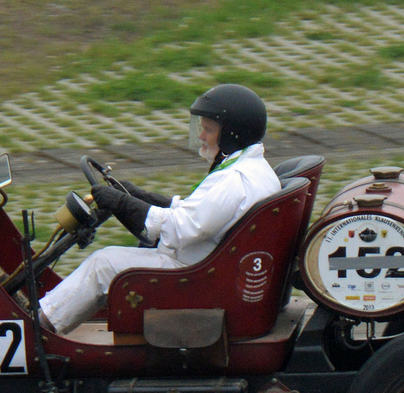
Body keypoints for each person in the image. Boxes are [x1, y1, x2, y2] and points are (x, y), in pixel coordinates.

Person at [38, 83, 280, 334]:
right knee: (114, 258)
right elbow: (196, 213)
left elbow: (179, 229)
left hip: (195, 276)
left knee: (103, 263)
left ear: (233, 134)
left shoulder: (233, 180)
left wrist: (123, 203)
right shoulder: (251, 169)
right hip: (208, 265)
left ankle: (39, 330)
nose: (201, 136)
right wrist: (140, 196)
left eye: (208, 129)